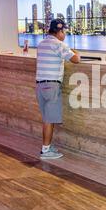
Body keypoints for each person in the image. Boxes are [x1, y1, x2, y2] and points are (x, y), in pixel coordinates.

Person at [36, 18, 81, 160]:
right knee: (49, 120)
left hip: (40, 85)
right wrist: (74, 50)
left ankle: (47, 147)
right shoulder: (58, 45)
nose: (65, 34)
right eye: (65, 31)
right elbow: (76, 59)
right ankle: (45, 151)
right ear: (60, 31)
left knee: (46, 119)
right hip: (52, 85)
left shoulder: (42, 43)